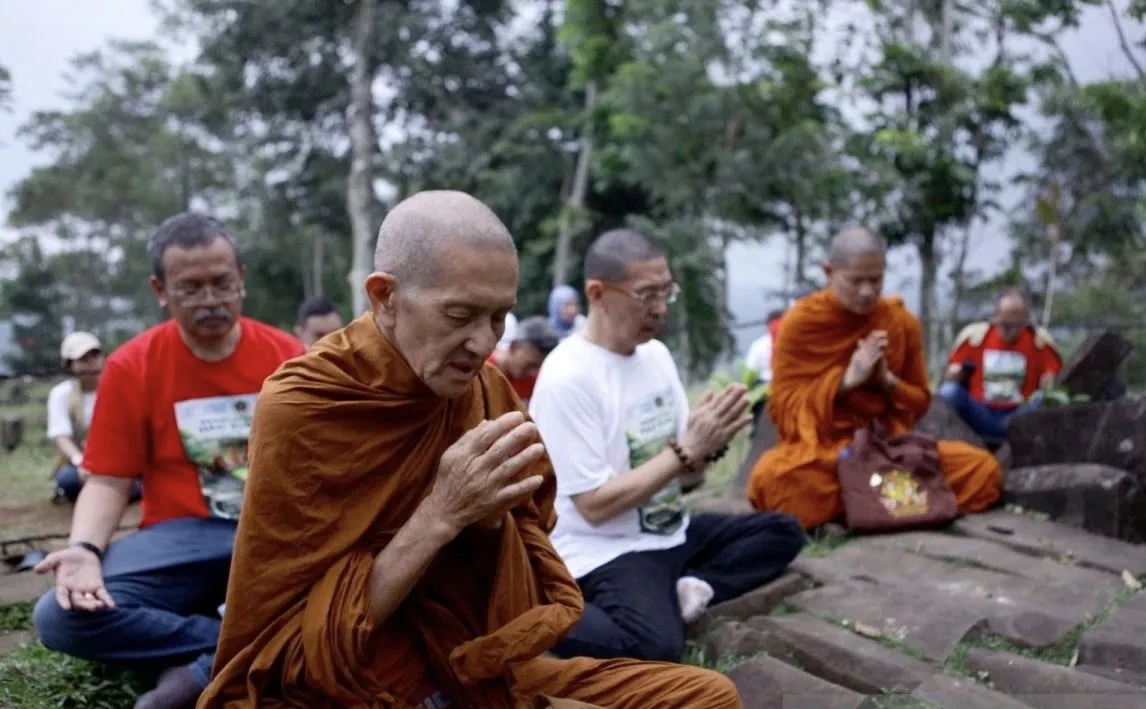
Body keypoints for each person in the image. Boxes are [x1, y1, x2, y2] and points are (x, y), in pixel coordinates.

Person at [199, 191, 740, 709]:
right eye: (460, 317)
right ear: (385, 297)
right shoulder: (307, 406)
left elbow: (525, 562)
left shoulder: (484, 391)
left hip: (469, 666)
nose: (485, 343)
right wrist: (441, 513)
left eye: (499, 317)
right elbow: (290, 652)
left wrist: (490, 523)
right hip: (349, 680)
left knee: (708, 696)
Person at [32, 213, 305, 709]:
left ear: (241, 277)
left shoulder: (288, 357)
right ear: (160, 290)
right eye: (191, 289)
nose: (210, 302)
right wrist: (84, 551)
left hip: (274, 535)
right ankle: (243, 646)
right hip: (180, 538)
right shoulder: (132, 365)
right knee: (59, 614)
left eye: (222, 284)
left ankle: (196, 667)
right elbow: (109, 481)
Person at [529, 228, 805, 664]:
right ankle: (538, 608)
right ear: (598, 293)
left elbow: (686, 477)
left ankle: (693, 586)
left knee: (782, 531)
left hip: (668, 530)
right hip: (607, 548)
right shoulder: (568, 376)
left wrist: (708, 446)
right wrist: (683, 451)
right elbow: (594, 506)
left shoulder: (656, 355)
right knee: (655, 647)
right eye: (646, 295)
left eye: (666, 292)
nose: (660, 308)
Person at [746, 227, 1002, 530]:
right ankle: (899, 503)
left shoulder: (899, 322)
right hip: (829, 453)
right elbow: (784, 409)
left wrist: (887, 381)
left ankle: (862, 505)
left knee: (982, 470)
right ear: (829, 272)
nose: (867, 291)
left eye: (876, 280)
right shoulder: (801, 324)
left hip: (887, 449)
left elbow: (920, 401)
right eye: (856, 281)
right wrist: (845, 382)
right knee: (772, 481)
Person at [938, 288, 1062, 442]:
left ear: (1026, 320)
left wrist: (1049, 381)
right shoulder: (975, 338)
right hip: (980, 412)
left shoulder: (1040, 343)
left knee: (1046, 399)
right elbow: (949, 377)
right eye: (1005, 325)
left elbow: (1055, 382)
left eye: (1017, 326)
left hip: (1019, 415)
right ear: (995, 316)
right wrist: (956, 374)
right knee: (949, 392)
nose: (1010, 331)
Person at [47, 332, 141, 504]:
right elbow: (61, 436)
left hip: (121, 459)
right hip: (83, 461)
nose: (91, 363)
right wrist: (81, 462)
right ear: (70, 365)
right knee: (68, 479)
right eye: (83, 359)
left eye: (94, 356)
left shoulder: (119, 387)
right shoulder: (61, 394)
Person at [488, 316, 560, 405]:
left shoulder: (533, 382)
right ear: (514, 347)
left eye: (538, 367)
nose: (533, 372)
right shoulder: (480, 370)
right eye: (530, 365)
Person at [743, 310, 784, 433]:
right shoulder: (793, 341)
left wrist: (747, 388)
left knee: (760, 428)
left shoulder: (759, 345)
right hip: (784, 389)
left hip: (762, 392)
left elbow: (750, 373)